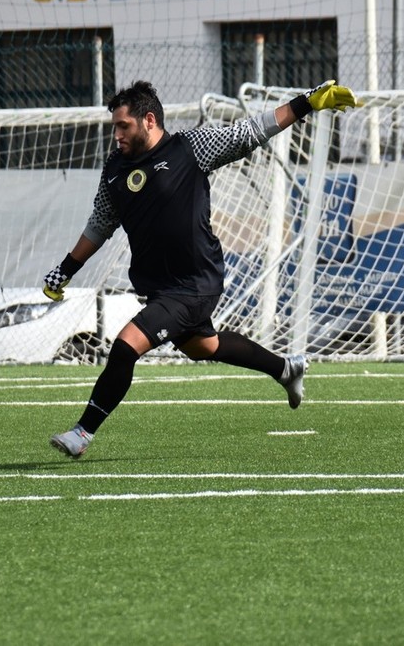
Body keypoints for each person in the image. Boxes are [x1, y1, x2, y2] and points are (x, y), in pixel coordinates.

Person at [43, 79, 360, 458]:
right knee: (203, 346)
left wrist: (306, 102)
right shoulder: (114, 168)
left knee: (126, 346)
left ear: (149, 120)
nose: (117, 135)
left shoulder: (189, 148)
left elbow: (249, 132)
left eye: (123, 126)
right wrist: (65, 270)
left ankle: (82, 432)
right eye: (114, 127)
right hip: (159, 287)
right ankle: (285, 369)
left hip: (196, 282)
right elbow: (100, 223)